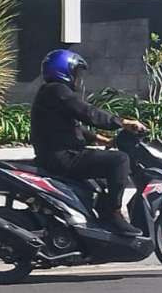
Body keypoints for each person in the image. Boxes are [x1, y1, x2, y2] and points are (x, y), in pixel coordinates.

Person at [30, 49, 147, 236]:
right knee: (120, 161)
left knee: (101, 181)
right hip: (64, 157)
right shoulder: (58, 90)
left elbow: (67, 126)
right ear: (64, 71)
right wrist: (121, 122)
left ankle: (97, 222)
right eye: (76, 72)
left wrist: (99, 139)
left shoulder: (50, 93)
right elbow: (87, 112)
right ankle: (113, 214)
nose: (78, 78)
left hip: (56, 155)